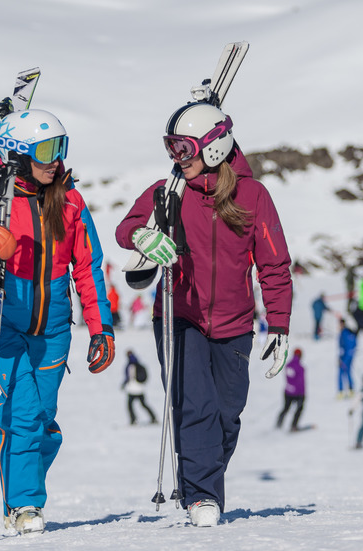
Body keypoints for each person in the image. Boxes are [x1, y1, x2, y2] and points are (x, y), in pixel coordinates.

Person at [115, 101, 293, 528]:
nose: (177, 159)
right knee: (195, 405)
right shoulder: (167, 192)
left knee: (227, 415)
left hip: (234, 325)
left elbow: (273, 265)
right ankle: (201, 496)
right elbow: (125, 229)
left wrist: (280, 326)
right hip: (180, 315)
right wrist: (143, 234)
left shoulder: (253, 196)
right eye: (171, 149)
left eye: (184, 148)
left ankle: (202, 476)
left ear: (213, 147)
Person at [0, 108, 115, 535]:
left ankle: (19, 474)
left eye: (61, 148)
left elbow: (88, 267)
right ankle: (24, 506)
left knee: (44, 422)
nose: (56, 160)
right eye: (45, 151)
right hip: (2, 322)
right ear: (18, 156)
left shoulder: (70, 199)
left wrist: (101, 327)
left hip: (54, 330)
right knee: (24, 410)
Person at [121, 350, 158, 425]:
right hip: (139, 389)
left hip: (133, 389)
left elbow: (128, 377)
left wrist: (124, 384)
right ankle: (153, 418)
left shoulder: (130, 365)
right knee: (143, 404)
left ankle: (133, 420)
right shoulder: (138, 364)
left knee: (130, 405)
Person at [275, 348, 306, 431]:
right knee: (299, 409)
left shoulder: (288, 365)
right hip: (298, 393)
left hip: (288, 391)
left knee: (285, 408)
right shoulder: (300, 368)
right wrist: (302, 394)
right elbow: (301, 382)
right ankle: (294, 426)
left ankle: (278, 424)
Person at [337, 318, 358, 398]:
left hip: (346, 357)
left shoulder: (345, 333)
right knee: (348, 372)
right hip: (346, 356)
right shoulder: (346, 332)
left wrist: (345, 358)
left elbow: (348, 347)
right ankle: (350, 389)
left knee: (341, 372)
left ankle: (341, 391)